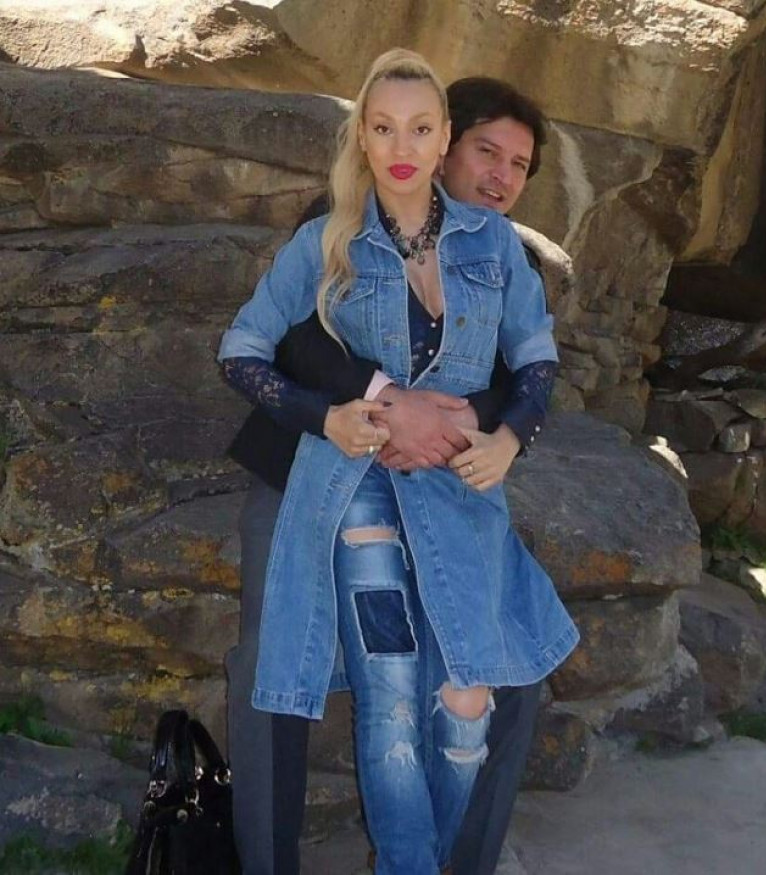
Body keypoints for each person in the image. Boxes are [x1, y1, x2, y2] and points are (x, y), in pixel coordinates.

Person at [222, 60, 576, 875]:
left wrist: (474, 425)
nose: (501, 176)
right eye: (488, 152)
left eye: (520, 165)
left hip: (441, 483)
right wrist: (389, 400)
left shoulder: (502, 253)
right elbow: (291, 344)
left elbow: (520, 372)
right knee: (274, 654)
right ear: (448, 144)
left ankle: (458, 862)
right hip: (309, 469)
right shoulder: (341, 221)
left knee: (507, 667)